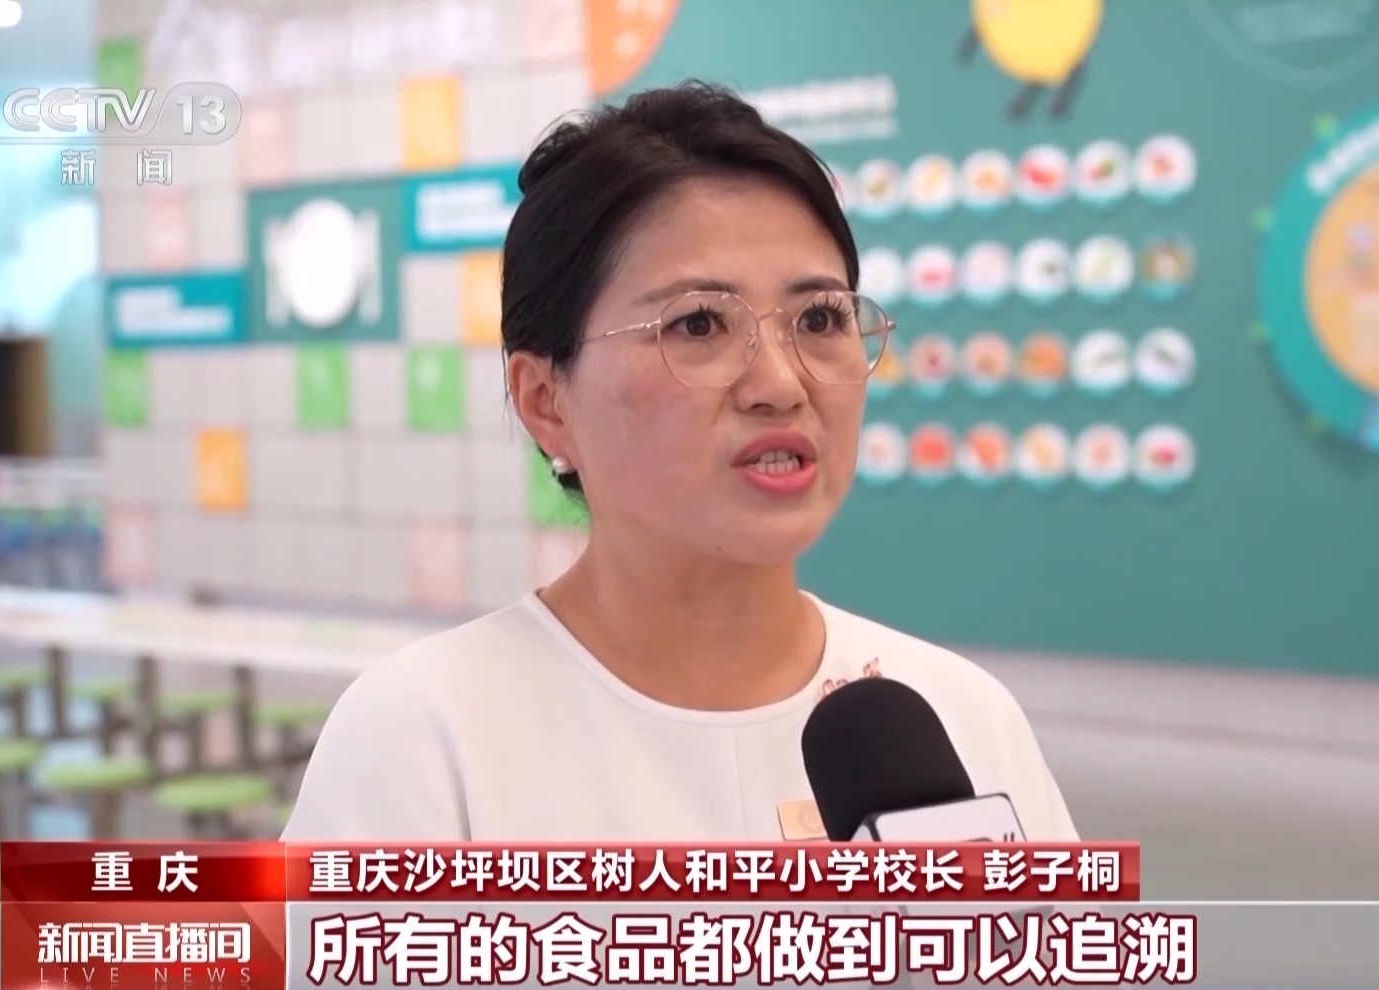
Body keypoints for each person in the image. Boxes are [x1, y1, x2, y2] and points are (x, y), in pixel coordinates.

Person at [281, 81, 1078, 842]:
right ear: (547, 400)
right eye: (698, 324)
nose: (780, 385)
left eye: (820, 318)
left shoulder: (962, 718)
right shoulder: (422, 737)